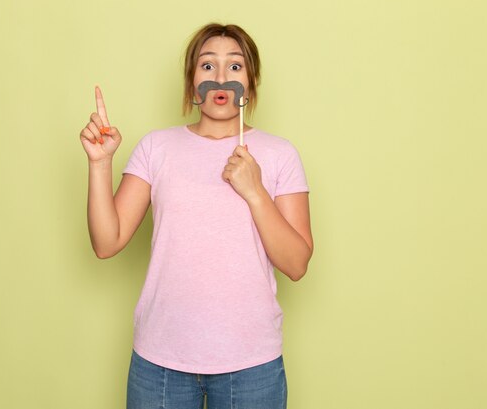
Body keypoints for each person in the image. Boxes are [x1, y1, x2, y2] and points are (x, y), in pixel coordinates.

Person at [79, 23, 313, 409]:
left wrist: (254, 192)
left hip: (251, 364)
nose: (221, 77)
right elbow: (107, 243)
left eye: (235, 67)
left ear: (251, 84)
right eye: (207, 66)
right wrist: (100, 164)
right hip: (160, 363)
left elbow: (297, 263)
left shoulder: (279, 154)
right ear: (190, 84)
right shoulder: (157, 148)